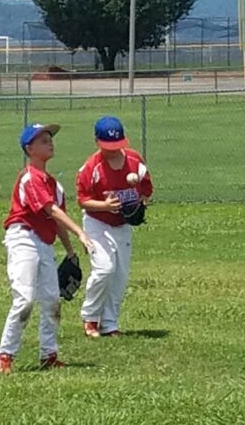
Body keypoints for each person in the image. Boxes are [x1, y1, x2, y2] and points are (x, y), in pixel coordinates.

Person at [0, 123, 93, 374]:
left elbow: (56, 220)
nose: (50, 142)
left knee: (51, 300)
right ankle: (5, 355)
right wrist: (80, 231)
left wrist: (70, 252)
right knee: (25, 299)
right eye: (42, 140)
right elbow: (51, 210)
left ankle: (49, 355)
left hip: (44, 242)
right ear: (29, 149)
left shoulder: (54, 185)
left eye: (50, 138)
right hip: (23, 238)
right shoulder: (30, 178)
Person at [77, 116, 153, 338]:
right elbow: (82, 200)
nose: (113, 150)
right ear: (96, 142)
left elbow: (147, 190)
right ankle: (90, 317)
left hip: (122, 225)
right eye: (108, 147)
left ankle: (109, 324)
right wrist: (105, 205)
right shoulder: (91, 168)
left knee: (119, 274)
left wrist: (140, 202)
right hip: (97, 222)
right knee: (104, 268)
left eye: (117, 145)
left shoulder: (134, 161)